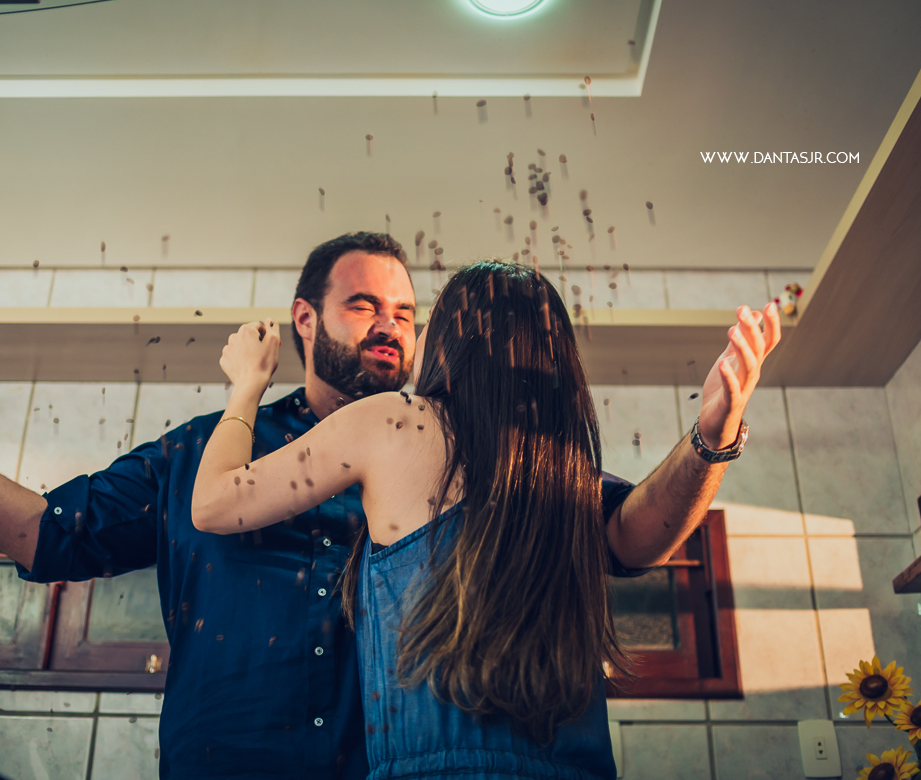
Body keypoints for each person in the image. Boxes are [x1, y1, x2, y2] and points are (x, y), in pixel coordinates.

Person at [0, 235, 779, 779]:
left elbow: (623, 534)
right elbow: (39, 534)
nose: (392, 326)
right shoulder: (202, 453)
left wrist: (711, 437)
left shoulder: (470, 451)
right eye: (366, 306)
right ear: (304, 319)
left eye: (406, 312)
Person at [189, 260, 781, 778]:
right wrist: (711, 435)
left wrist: (247, 387)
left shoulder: (397, 421)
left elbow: (213, 503)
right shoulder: (560, 467)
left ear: (448, 341)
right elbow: (637, 542)